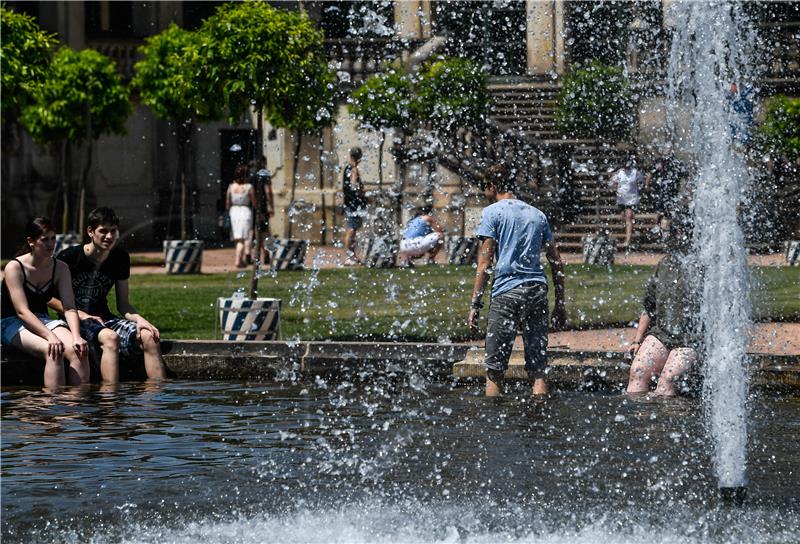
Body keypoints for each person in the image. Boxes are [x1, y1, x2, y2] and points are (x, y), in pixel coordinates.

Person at [468, 164, 566, 397]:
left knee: (494, 371)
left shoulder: (492, 212)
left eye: (485, 189)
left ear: (492, 186)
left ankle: (494, 426)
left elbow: (484, 264)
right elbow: (557, 262)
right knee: (538, 369)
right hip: (537, 290)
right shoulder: (537, 214)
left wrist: (475, 305)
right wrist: (560, 303)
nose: (484, 194)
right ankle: (540, 421)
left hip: (506, 293)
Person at [53, 207, 167, 382]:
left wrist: (139, 319)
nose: (109, 236)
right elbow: (51, 299)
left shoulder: (120, 257)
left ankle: (156, 400)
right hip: (74, 322)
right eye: (103, 231)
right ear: (90, 231)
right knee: (110, 338)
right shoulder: (68, 258)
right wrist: (81, 315)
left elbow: (123, 304)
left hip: (105, 319)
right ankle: (110, 401)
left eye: (113, 231)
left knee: (148, 336)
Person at [1, 217, 90, 389]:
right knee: (53, 350)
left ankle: (76, 408)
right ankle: (52, 409)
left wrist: (77, 336)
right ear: (31, 241)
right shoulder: (15, 267)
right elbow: (22, 311)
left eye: (53, 239)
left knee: (78, 351)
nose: (50, 244)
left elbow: (70, 308)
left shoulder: (61, 268)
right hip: (10, 321)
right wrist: (50, 336)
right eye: (44, 239)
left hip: (41, 318)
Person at [626, 213, 700, 397]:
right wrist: (637, 340)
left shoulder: (702, 267)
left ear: (681, 232)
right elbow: (649, 307)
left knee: (668, 379)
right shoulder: (664, 264)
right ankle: (639, 422)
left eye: (667, 232)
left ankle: (667, 423)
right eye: (663, 231)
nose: (663, 237)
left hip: (691, 339)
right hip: (663, 334)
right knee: (638, 371)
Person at [610, 154, 648, 250]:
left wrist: (645, 187)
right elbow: (612, 182)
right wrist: (614, 185)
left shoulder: (635, 172)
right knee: (623, 218)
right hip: (621, 199)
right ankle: (629, 235)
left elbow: (644, 179)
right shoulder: (619, 173)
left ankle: (628, 240)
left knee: (628, 218)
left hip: (632, 200)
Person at [226, 163, 256, 269]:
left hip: (234, 212)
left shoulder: (231, 187)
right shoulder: (249, 187)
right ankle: (238, 260)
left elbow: (227, 203)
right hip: (245, 211)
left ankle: (240, 259)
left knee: (238, 238)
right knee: (243, 238)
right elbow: (254, 203)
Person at [342, 147, 367, 266]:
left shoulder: (347, 168)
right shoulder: (353, 169)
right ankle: (349, 257)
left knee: (352, 229)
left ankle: (352, 256)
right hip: (353, 205)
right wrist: (362, 193)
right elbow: (353, 185)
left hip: (349, 203)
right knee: (351, 230)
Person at [250, 155, 275, 265]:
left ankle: (256, 256)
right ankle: (266, 255)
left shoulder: (253, 176)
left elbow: (251, 192)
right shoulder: (265, 175)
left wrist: (255, 206)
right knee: (266, 233)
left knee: (257, 232)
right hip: (263, 207)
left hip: (255, 208)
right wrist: (271, 206)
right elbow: (268, 191)